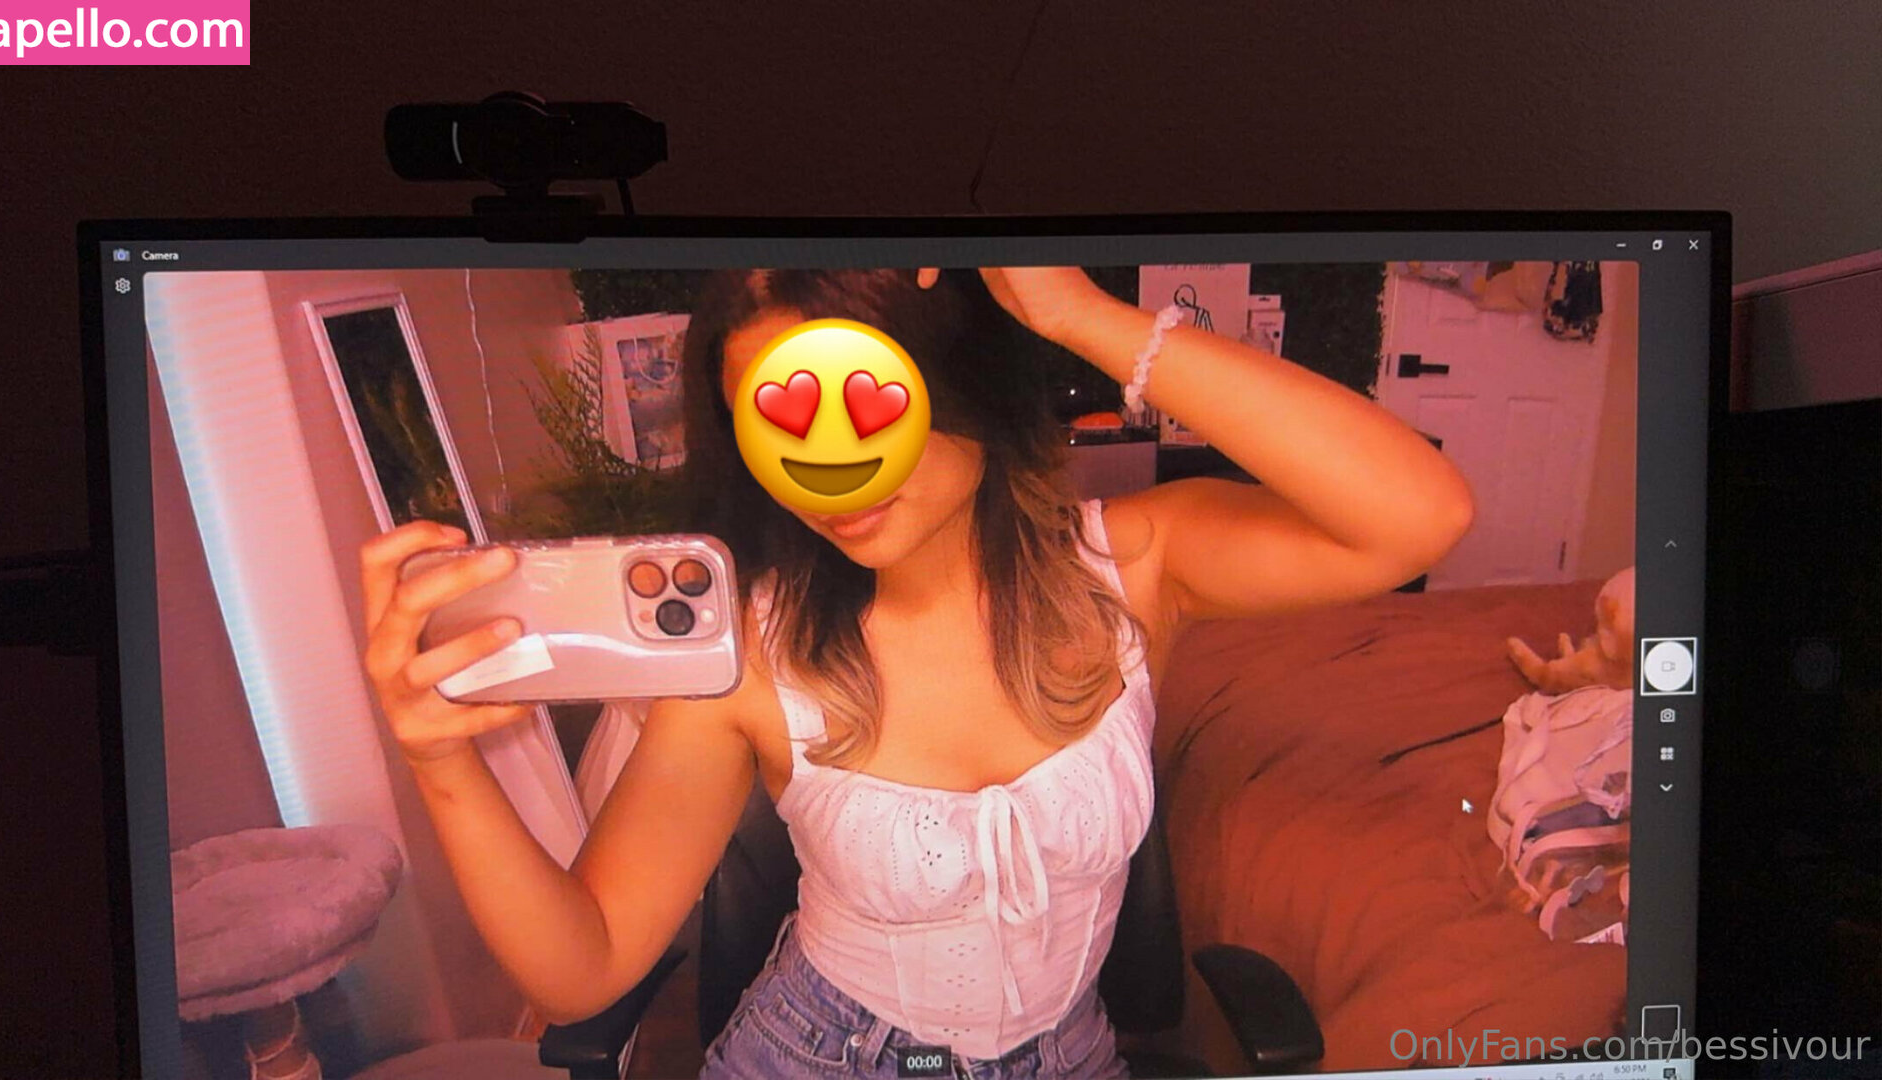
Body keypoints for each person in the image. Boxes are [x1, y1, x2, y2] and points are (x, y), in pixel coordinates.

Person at [359, 267, 1474, 1078]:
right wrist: (442, 765)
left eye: (870, 403)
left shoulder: (1135, 569)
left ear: (962, 380)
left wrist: (1079, 313)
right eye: (777, 422)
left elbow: (1416, 517)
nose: (832, 468)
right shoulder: (754, 653)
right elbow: (585, 966)